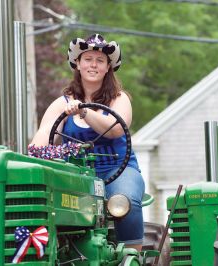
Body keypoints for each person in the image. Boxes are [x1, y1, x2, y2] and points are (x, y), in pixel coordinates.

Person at [30, 33, 144, 251]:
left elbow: (115, 129)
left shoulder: (120, 99)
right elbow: (40, 143)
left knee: (125, 200)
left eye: (100, 61)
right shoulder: (61, 104)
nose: (93, 65)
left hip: (117, 170)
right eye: (88, 59)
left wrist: (83, 111)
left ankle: (133, 255)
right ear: (78, 64)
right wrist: (46, 140)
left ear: (108, 67)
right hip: (76, 175)